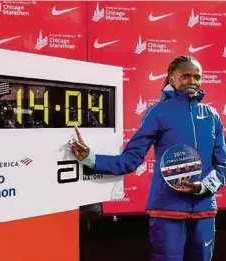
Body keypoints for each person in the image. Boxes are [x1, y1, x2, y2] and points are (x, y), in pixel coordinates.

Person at [69, 55, 226, 261]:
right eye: (186, 76)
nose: (192, 81)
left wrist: (203, 187)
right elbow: (132, 158)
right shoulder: (158, 113)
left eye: (197, 77)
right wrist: (91, 159)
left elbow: (221, 165)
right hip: (167, 209)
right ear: (172, 77)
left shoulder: (212, 116)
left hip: (205, 209)